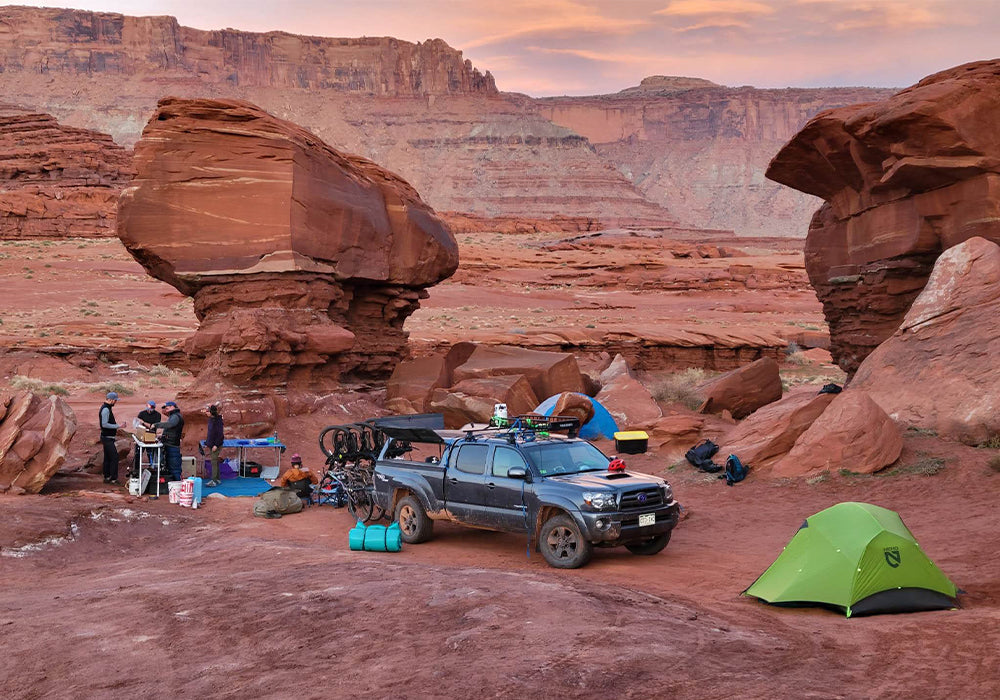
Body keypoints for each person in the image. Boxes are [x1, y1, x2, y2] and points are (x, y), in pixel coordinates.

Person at [143, 401, 184, 482]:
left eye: (167, 407)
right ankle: (172, 485)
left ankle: (177, 484)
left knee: (174, 467)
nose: (166, 409)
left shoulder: (175, 416)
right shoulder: (173, 416)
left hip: (173, 445)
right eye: (165, 408)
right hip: (169, 443)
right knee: (170, 466)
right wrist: (161, 435)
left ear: (173, 406)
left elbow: (170, 425)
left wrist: (156, 425)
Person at [99, 391, 126, 484]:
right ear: (110, 400)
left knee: (107, 457)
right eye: (115, 400)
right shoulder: (106, 409)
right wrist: (118, 426)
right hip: (107, 437)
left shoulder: (107, 408)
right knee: (114, 457)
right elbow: (104, 424)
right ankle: (113, 478)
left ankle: (107, 477)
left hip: (107, 437)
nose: (115, 402)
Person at [204, 404, 225, 487]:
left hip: (216, 445)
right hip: (211, 444)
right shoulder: (211, 420)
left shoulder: (218, 421)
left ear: (211, 412)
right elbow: (211, 433)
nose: (206, 413)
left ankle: (214, 480)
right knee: (215, 461)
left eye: (207, 411)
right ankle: (217, 479)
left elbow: (220, 434)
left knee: (214, 462)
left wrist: (216, 445)